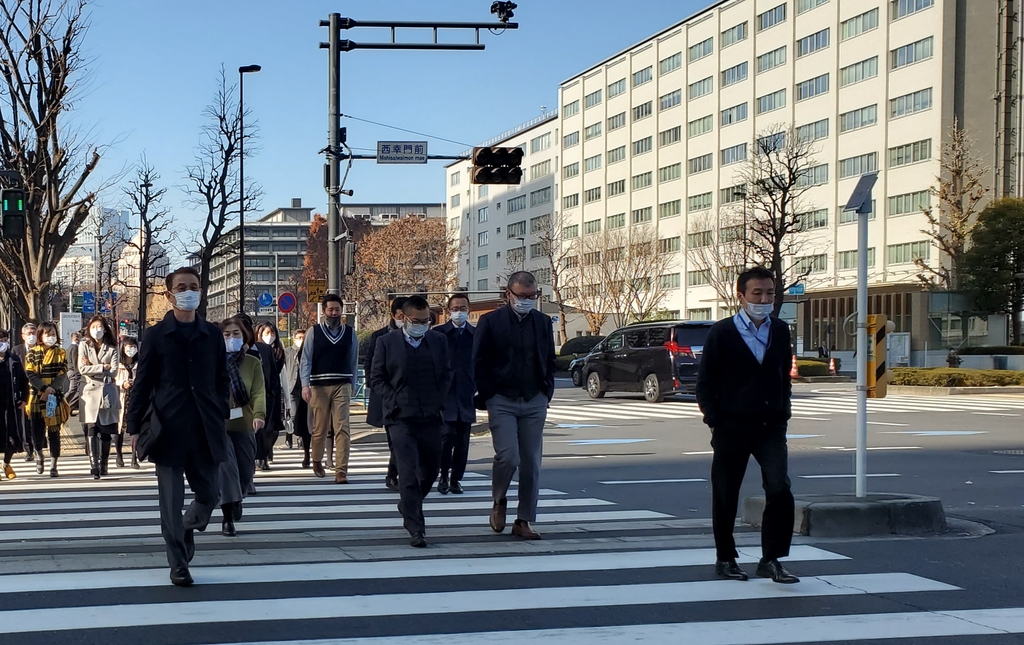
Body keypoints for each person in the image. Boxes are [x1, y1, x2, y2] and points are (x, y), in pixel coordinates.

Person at [127, 266, 230, 587]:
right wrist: (133, 427)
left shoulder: (212, 334)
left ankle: (189, 526)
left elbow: (221, 379)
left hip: (204, 427)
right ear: (170, 294)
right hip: (168, 428)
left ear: (201, 291)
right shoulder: (156, 336)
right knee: (169, 504)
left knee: (210, 494)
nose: (189, 292)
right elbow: (142, 383)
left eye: (194, 286)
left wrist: (221, 409)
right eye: (182, 287)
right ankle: (178, 563)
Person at [695, 265, 799, 585]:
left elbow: (784, 378)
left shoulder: (780, 330)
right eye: (757, 293)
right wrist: (715, 419)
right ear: (740, 296)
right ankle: (725, 558)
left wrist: (783, 412)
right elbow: (705, 382)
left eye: (769, 293)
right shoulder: (722, 332)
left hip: (770, 426)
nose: (764, 299)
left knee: (779, 488)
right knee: (726, 493)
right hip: (731, 426)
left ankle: (772, 559)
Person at [472, 271, 556, 540]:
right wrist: (487, 393)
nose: (527, 301)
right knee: (508, 456)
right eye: (521, 296)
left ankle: (524, 519)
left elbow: (549, 359)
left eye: (532, 296)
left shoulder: (542, 322)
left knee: (531, 462)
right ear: (508, 294)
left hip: (534, 398)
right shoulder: (490, 321)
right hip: (502, 399)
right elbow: (478, 360)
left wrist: (547, 391)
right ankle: (498, 499)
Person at [370, 295, 451, 547]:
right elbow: (376, 377)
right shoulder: (386, 342)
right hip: (400, 418)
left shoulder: (438, 341)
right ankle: (416, 528)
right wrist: (392, 399)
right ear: (403, 318)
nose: (422, 325)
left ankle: (408, 504)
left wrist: (440, 398)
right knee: (407, 473)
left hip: (430, 416)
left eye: (427, 320)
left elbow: (448, 372)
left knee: (431, 470)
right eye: (417, 321)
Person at [300, 293, 358, 482]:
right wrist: (305, 384)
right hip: (319, 385)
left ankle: (341, 470)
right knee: (320, 427)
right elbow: (306, 359)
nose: (334, 313)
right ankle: (317, 459)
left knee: (342, 427)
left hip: (343, 382)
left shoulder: (350, 332)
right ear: (324, 311)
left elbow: (354, 360)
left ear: (342, 311)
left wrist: (354, 383)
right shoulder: (313, 332)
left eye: (337, 310)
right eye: (330, 309)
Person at [218, 316, 266, 537]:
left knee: (246, 471)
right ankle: (227, 516)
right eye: (226, 335)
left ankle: (239, 497)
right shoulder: (213, 362)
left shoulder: (252, 363)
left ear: (244, 336)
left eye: (236, 334)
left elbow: (258, 392)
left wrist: (259, 414)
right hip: (219, 424)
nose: (231, 338)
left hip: (245, 422)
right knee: (226, 469)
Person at [364, 296, 407, 491]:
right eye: (400, 316)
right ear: (393, 315)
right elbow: (370, 366)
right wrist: (377, 387)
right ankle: (394, 474)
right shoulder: (380, 337)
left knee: (405, 439)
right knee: (396, 439)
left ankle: (397, 474)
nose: (404, 320)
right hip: (388, 397)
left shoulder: (417, 336)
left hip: (411, 397)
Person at [437, 293, 475, 495]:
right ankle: (442, 474)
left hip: (467, 393)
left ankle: (456, 479)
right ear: (448, 310)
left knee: (462, 441)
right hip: (445, 394)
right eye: (455, 308)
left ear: (468, 310)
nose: (459, 312)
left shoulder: (475, 334)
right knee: (446, 436)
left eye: (463, 308)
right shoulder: (439, 334)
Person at [24, 322, 69, 477]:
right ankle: (39, 455)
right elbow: (31, 374)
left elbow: (62, 374)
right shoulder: (32, 353)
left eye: (53, 334)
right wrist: (43, 389)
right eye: (48, 334)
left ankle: (53, 464)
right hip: (36, 396)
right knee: (36, 430)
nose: (51, 337)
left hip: (54, 396)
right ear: (40, 336)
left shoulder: (61, 353)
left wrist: (51, 390)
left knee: (54, 431)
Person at [79, 315, 121, 480]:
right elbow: (82, 368)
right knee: (91, 427)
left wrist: (93, 367)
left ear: (105, 329)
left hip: (107, 390)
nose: (96, 330)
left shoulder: (112, 347)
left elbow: (114, 371)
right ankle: (93, 464)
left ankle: (104, 463)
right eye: (93, 327)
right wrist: (103, 366)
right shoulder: (84, 345)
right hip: (89, 390)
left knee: (106, 430)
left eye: (99, 327)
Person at [255, 321, 286, 471]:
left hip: (274, 391)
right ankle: (261, 456)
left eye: (272, 333)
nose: (270, 336)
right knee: (262, 427)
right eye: (267, 333)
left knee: (273, 429)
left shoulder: (279, 351)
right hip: (260, 391)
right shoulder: (256, 350)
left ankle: (266, 452)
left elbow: (281, 373)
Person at [0, 329, 29, 480]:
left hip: (11, 405)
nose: (2, 342)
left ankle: (6, 464)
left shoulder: (13, 360)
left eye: (4, 339)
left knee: (12, 437)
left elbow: (24, 381)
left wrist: (24, 398)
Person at [288, 330, 312, 468]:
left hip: (317, 387)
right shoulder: (294, 351)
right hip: (301, 388)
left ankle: (315, 455)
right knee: (302, 421)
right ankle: (307, 453)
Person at [13, 323, 36, 462]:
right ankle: (29, 450)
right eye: (28, 333)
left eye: (33, 333)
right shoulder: (16, 351)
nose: (31, 336)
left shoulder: (42, 350)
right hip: (23, 391)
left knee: (38, 421)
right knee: (24, 421)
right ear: (23, 336)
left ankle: (39, 446)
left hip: (39, 390)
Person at [116, 337, 140, 469]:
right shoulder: (118, 364)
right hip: (121, 398)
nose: (131, 350)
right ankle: (118, 455)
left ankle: (133, 457)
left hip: (135, 400)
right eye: (128, 347)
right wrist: (122, 384)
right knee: (119, 429)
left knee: (134, 430)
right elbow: (112, 380)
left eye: (133, 347)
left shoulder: (139, 364)